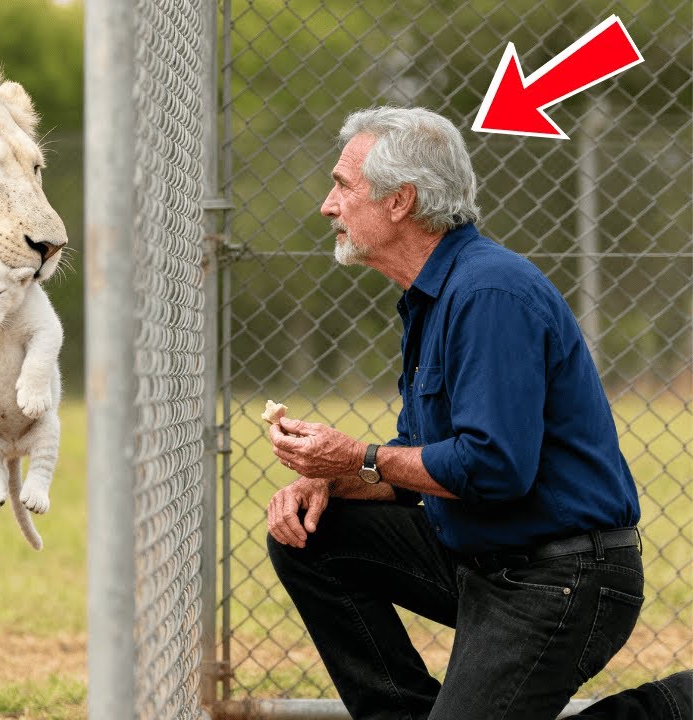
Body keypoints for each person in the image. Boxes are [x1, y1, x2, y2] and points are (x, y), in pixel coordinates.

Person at [265, 106, 651, 720]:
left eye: (342, 186)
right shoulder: (431, 297)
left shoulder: (489, 294)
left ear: (401, 202)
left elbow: (495, 468)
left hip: (562, 577)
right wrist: (330, 480)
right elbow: (425, 461)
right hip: (482, 555)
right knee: (312, 533)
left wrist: (359, 456)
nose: (327, 206)